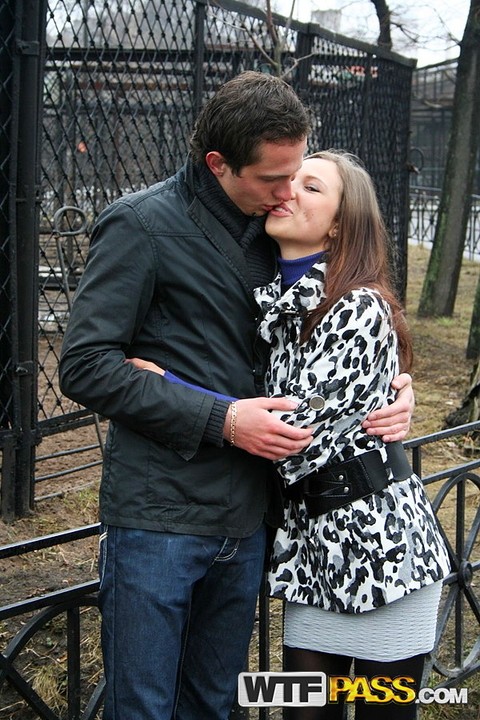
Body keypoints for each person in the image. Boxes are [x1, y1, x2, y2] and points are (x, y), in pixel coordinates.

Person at [59, 73, 414, 720]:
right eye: (273, 179)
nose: (286, 194)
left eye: (298, 175)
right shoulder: (142, 224)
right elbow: (84, 365)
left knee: (213, 704)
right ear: (218, 164)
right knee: (141, 706)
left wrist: (388, 381)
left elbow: (334, 329)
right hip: (159, 517)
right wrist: (220, 418)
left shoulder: (276, 236)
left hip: (248, 519)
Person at [252, 150, 450, 720]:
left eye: (311, 187)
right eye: (289, 180)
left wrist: (174, 392)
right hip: (312, 555)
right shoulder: (278, 302)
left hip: (382, 551)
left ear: (339, 225)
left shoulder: (358, 308)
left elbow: (293, 433)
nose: (289, 191)